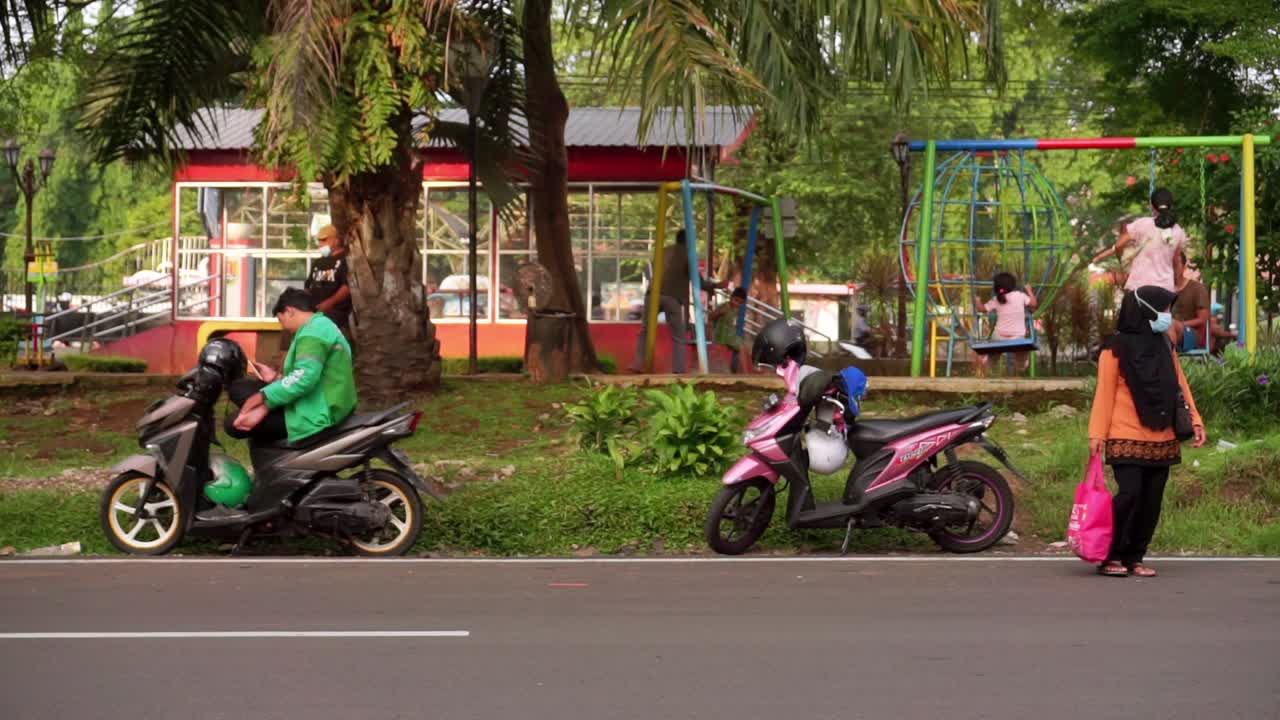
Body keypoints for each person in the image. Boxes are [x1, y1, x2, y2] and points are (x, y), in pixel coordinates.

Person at [1088, 286, 1206, 578]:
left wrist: (1196, 420)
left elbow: (1180, 386)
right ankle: (1110, 554)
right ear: (1144, 310)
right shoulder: (1113, 348)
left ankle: (1134, 557)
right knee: (1129, 494)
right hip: (1124, 434)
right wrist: (1097, 434)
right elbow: (1104, 395)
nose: (1168, 316)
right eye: (1163, 309)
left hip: (1163, 435)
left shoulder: (1165, 344)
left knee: (1151, 501)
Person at [228, 288, 357, 445]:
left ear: (289, 311)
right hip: (315, 398)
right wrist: (276, 379)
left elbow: (303, 380)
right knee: (240, 388)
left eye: (282, 321)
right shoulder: (319, 325)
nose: (284, 327)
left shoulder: (313, 333)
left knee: (232, 424)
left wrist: (262, 398)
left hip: (317, 412)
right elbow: (308, 375)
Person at [629, 229, 722, 373]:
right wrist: (715, 286)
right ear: (690, 241)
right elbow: (698, 281)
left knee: (645, 331)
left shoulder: (664, 251)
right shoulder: (688, 256)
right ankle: (679, 370)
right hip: (672, 297)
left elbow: (648, 272)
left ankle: (638, 364)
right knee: (679, 336)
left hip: (652, 294)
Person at [1091, 188, 1189, 293]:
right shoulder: (1178, 231)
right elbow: (1176, 261)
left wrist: (1105, 257)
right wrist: (1177, 283)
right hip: (1165, 288)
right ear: (1170, 205)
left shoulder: (1142, 224)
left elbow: (1119, 245)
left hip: (1140, 285)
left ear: (1152, 205)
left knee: (1127, 309)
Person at [975, 272, 1037, 376]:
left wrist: (977, 300)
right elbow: (1034, 303)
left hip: (998, 337)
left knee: (994, 354)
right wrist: (1029, 290)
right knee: (1022, 353)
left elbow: (982, 309)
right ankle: (1021, 363)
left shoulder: (997, 299)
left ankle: (986, 362)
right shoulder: (1020, 296)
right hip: (1017, 338)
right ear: (1013, 285)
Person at [305, 224, 354, 344]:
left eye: (324, 240)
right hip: (314, 312)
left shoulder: (346, 260)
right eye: (319, 240)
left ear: (336, 240)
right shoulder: (318, 262)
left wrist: (329, 303)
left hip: (336, 315)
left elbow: (347, 287)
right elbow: (308, 285)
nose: (321, 244)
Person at [1170, 250, 1210, 352]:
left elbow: (1202, 320)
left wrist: (1179, 324)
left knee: (1169, 325)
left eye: (1176, 264)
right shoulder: (1164, 288)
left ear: (1184, 267)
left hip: (1192, 335)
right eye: (1170, 264)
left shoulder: (1197, 288)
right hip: (1168, 331)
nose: (1173, 268)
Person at [709, 287, 748, 373]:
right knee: (741, 347)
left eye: (740, 303)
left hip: (730, 335)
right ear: (731, 297)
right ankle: (746, 372)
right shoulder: (724, 307)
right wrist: (719, 313)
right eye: (736, 300)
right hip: (722, 335)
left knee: (742, 348)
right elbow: (711, 317)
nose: (737, 304)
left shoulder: (735, 309)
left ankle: (738, 370)